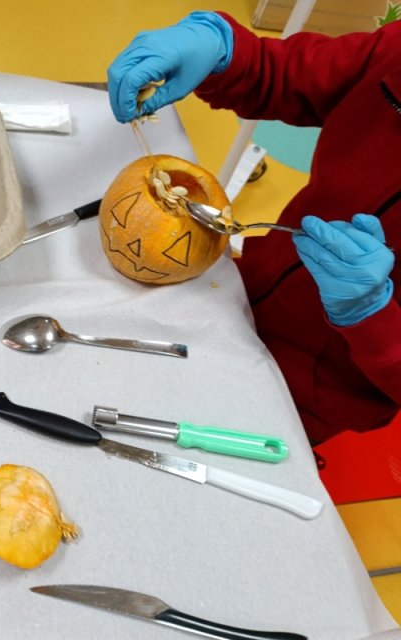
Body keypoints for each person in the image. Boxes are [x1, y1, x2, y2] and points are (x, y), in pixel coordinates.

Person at [107, 11, 401, 445]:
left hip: (315, 391)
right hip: (241, 289)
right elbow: (289, 74)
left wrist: (374, 320)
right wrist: (224, 51)